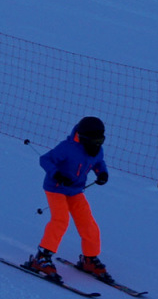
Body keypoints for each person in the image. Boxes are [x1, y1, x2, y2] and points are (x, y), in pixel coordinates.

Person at [24, 116, 115, 284]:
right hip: (56, 188)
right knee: (61, 220)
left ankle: (89, 258)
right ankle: (42, 257)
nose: (97, 144)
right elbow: (45, 159)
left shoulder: (97, 150)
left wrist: (102, 173)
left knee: (87, 222)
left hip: (75, 191)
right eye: (94, 140)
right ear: (84, 137)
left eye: (100, 140)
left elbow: (98, 163)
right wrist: (57, 174)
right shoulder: (67, 148)